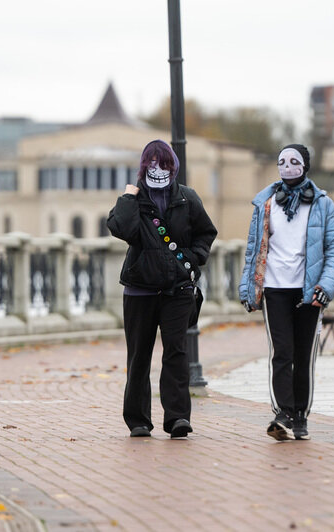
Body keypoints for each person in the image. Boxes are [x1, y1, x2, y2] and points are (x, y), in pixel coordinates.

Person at [107, 140, 217, 439]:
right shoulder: (134, 200)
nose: (159, 169)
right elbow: (123, 229)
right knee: (139, 356)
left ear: (174, 167)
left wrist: (193, 260)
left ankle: (178, 417)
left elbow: (206, 233)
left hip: (177, 290)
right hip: (139, 290)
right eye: (152, 164)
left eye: (164, 163)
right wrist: (129, 196)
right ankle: (138, 421)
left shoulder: (187, 198)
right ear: (143, 167)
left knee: (176, 354)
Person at [239, 144, 334, 441]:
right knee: (281, 353)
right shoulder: (266, 202)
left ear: (305, 165)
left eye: (294, 161)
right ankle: (282, 413)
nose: (287, 166)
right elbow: (252, 249)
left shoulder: (323, 204)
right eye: (282, 161)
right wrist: (248, 288)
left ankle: (301, 416)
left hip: (309, 291)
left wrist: (325, 286)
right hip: (274, 288)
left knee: (304, 355)